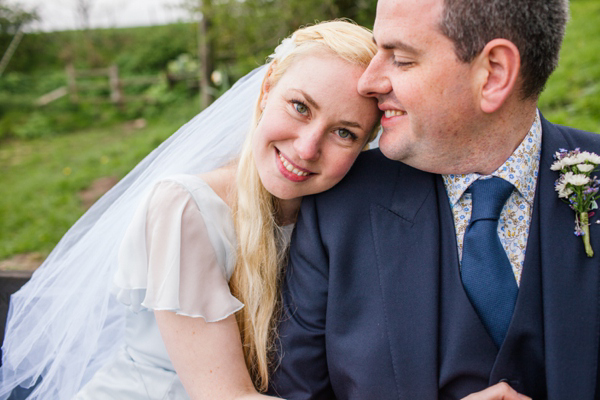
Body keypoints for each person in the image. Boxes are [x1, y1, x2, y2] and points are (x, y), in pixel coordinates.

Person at [0, 20, 380, 399]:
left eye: (344, 133)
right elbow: (226, 395)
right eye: (300, 107)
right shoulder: (186, 209)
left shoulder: (338, 221)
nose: (307, 147)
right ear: (266, 89)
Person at [269, 0, 600, 399]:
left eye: (402, 59)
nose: (368, 81)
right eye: (377, 51)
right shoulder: (338, 206)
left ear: (493, 74)